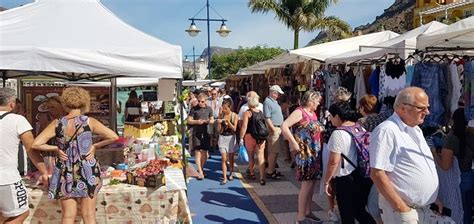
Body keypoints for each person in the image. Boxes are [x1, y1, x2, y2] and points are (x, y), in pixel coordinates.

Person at [32, 87, 118, 223]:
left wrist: (56, 148)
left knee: (67, 216)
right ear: (85, 102)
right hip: (87, 168)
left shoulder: (57, 123)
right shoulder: (89, 122)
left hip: (65, 169)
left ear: (64, 103)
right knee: (89, 215)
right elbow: (113, 136)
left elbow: (36, 144)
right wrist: (95, 146)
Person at [369, 87, 441, 223]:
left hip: (420, 209)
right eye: (421, 108)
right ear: (403, 108)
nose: (427, 112)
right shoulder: (387, 131)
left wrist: (431, 197)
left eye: (427, 107)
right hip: (402, 211)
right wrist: (402, 208)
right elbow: (377, 173)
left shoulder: (416, 130)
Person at [0, 88, 48, 223]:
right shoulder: (18, 120)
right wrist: (44, 171)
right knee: (21, 214)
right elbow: (31, 148)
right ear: (12, 104)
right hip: (6, 178)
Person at [323, 101, 376, 224]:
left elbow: (333, 161)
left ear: (337, 116)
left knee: (346, 214)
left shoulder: (338, 133)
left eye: (330, 116)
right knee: (359, 210)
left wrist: (327, 181)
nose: (330, 119)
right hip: (363, 175)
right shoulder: (359, 127)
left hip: (346, 178)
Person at [281, 90, 323, 223]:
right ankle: (300, 216)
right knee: (306, 184)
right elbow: (284, 125)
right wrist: (293, 143)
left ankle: (308, 211)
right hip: (305, 152)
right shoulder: (300, 112)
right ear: (310, 100)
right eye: (316, 101)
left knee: (312, 182)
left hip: (314, 151)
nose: (318, 104)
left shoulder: (312, 113)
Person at [431, 108, 467, 224]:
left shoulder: (451, 139)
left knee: (462, 211)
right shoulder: (470, 134)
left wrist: (435, 154)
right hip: (470, 175)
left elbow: (445, 166)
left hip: (460, 181)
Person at [239, 95, 266, 185]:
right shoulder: (261, 112)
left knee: (251, 157)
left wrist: (241, 137)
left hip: (250, 136)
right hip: (261, 138)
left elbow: (244, 126)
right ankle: (262, 177)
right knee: (261, 157)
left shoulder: (247, 113)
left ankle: (252, 173)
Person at [187, 93, 214, 180]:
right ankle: (200, 171)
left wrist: (208, 121)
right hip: (197, 132)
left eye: (202, 101)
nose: (200, 103)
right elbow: (189, 120)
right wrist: (197, 122)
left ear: (206, 101)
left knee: (205, 153)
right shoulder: (194, 109)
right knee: (197, 152)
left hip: (206, 132)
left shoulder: (209, 109)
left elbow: (212, 119)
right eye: (199, 101)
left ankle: (200, 169)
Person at [264, 85, 285, 180]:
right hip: (274, 128)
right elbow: (267, 117)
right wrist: (272, 129)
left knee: (275, 151)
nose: (278, 95)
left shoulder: (273, 102)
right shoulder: (268, 102)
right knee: (273, 151)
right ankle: (270, 171)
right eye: (277, 93)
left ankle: (272, 169)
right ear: (272, 92)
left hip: (277, 127)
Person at [216, 99, 238, 185]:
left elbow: (234, 129)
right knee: (223, 159)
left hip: (231, 138)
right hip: (222, 138)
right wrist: (219, 122)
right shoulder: (221, 115)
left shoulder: (234, 116)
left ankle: (231, 174)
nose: (224, 110)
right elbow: (218, 130)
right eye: (223, 108)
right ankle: (224, 177)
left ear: (230, 107)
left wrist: (228, 121)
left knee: (231, 158)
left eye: (226, 108)